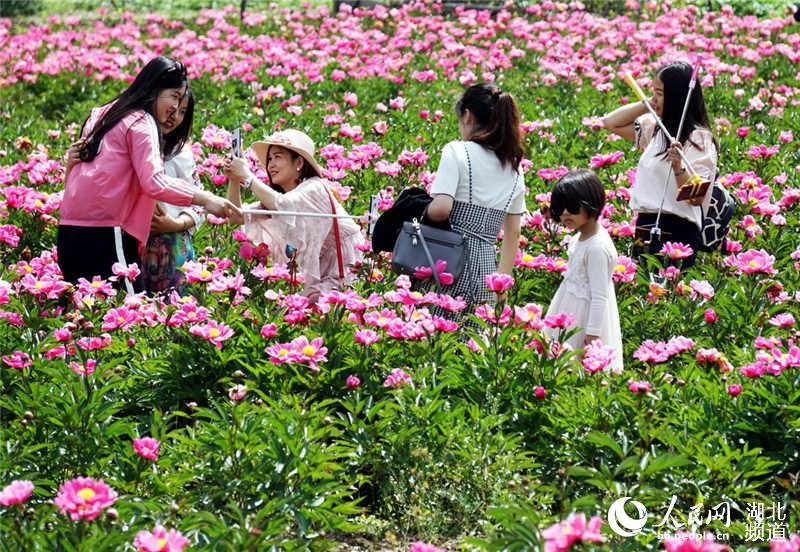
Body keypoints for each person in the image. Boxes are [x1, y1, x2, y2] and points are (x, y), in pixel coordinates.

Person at [58, 56, 239, 291]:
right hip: (106, 232)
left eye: (181, 105)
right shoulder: (141, 121)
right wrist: (208, 199)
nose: (175, 109)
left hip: (70, 230)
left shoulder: (100, 114)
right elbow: (153, 181)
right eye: (173, 96)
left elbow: (83, 171)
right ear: (154, 89)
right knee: (129, 317)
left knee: (86, 311)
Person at [422, 83, 526, 317]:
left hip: (450, 261)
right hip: (488, 270)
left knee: (441, 335)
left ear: (467, 116)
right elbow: (513, 234)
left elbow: (441, 209)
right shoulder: (514, 167)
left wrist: (419, 210)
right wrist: (501, 287)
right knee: (474, 342)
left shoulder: (457, 151)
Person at [224, 129, 364, 301]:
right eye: (269, 159)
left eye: (278, 157)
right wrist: (234, 179)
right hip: (320, 273)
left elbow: (283, 205)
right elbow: (235, 216)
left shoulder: (315, 187)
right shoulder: (281, 199)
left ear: (298, 163)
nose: (271, 165)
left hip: (342, 268)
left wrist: (247, 175)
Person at [601, 61, 718, 267]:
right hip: (645, 225)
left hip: (678, 229)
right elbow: (611, 123)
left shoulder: (699, 139)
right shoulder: (655, 130)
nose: (655, 98)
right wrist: (647, 103)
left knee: (668, 294)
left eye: (660, 94)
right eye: (654, 91)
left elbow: (697, 198)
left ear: (677, 97)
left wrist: (678, 167)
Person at [544, 169, 623, 373]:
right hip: (569, 306)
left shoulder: (597, 247)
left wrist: (593, 335)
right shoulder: (579, 238)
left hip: (586, 316)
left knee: (577, 368)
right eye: (560, 208)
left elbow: (599, 296)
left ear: (592, 204)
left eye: (572, 207)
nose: (565, 214)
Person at [141, 89, 205, 294]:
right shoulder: (136, 145)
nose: (174, 117)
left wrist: (176, 223)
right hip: (136, 243)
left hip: (174, 244)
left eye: (183, 112)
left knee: (176, 309)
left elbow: (200, 202)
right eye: (173, 109)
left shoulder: (180, 152)